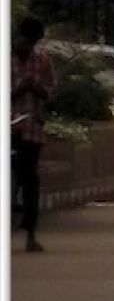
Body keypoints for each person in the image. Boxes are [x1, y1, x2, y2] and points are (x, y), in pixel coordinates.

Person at [11, 15, 53, 252]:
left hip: (31, 129)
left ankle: (31, 234)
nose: (29, 47)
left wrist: (39, 91)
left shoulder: (43, 61)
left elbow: (52, 92)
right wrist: (20, 89)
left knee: (30, 182)